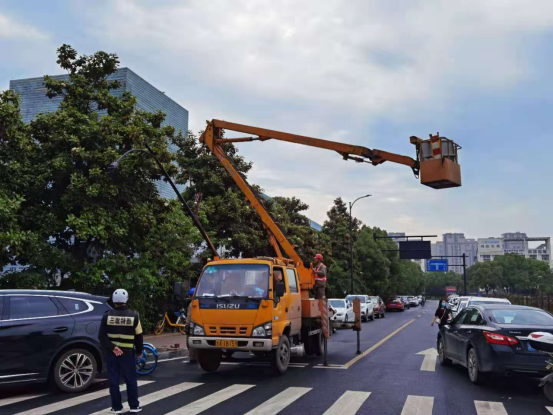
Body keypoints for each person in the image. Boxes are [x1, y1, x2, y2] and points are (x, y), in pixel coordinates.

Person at [99, 289, 143, 414]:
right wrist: (139, 351)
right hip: (128, 353)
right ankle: (134, 406)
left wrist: (113, 347)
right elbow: (139, 336)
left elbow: (101, 336)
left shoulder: (106, 315)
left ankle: (116, 407)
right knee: (130, 380)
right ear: (126, 300)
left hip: (112, 353)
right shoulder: (134, 315)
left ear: (113, 300)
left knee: (113, 380)